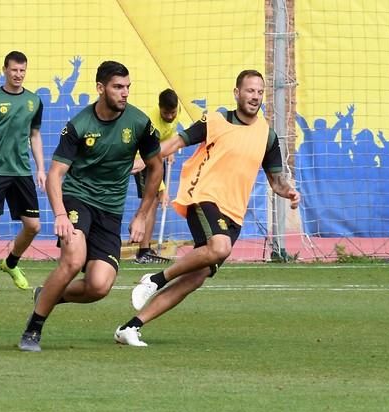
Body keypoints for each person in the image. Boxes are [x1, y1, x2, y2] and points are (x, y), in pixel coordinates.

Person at [114, 69, 301, 347]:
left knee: (197, 276)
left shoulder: (268, 136)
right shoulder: (215, 120)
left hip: (233, 213)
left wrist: (288, 191)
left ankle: (131, 327)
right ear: (237, 93)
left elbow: (276, 181)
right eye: (250, 90)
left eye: (260, 92)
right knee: (220, 247)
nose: (255, 97)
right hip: (202, 195)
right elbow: (178, 141)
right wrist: (145, 160)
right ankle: (153, 278)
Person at [18, 61, 163, 352]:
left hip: (110, 210)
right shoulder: (79, 125)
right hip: (77, 199)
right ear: (100, 88)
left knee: (99, 286)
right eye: (117, 87)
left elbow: (155, 167)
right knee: (73, 259)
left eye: (127, 87)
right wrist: (60, 213)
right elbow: (56, 175)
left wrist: (141, 214)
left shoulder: (139, 123)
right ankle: (33, 328)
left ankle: (48, 294)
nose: (124, 93)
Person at [0, 51, 45, 295]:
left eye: (22, 70)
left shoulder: (34, 101)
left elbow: (35, 136)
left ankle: (11, 262)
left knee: (33, 226)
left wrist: (41, 169)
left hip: (21, 171)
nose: (18, 75)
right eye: (14, 70)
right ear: (5, 70)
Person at [131, 88, 180, 263]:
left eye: (172, 113)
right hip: (142, 159)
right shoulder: (151, 124)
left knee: (153, 203)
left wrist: (170, 149)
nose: (170, 116)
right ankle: (143, 252)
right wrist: (163, 189)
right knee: (150, 202)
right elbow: (151, 163)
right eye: (166, 113)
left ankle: (143, 244)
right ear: (159, 108)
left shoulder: (176, 111)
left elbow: (171, 130)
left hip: (157, 155)